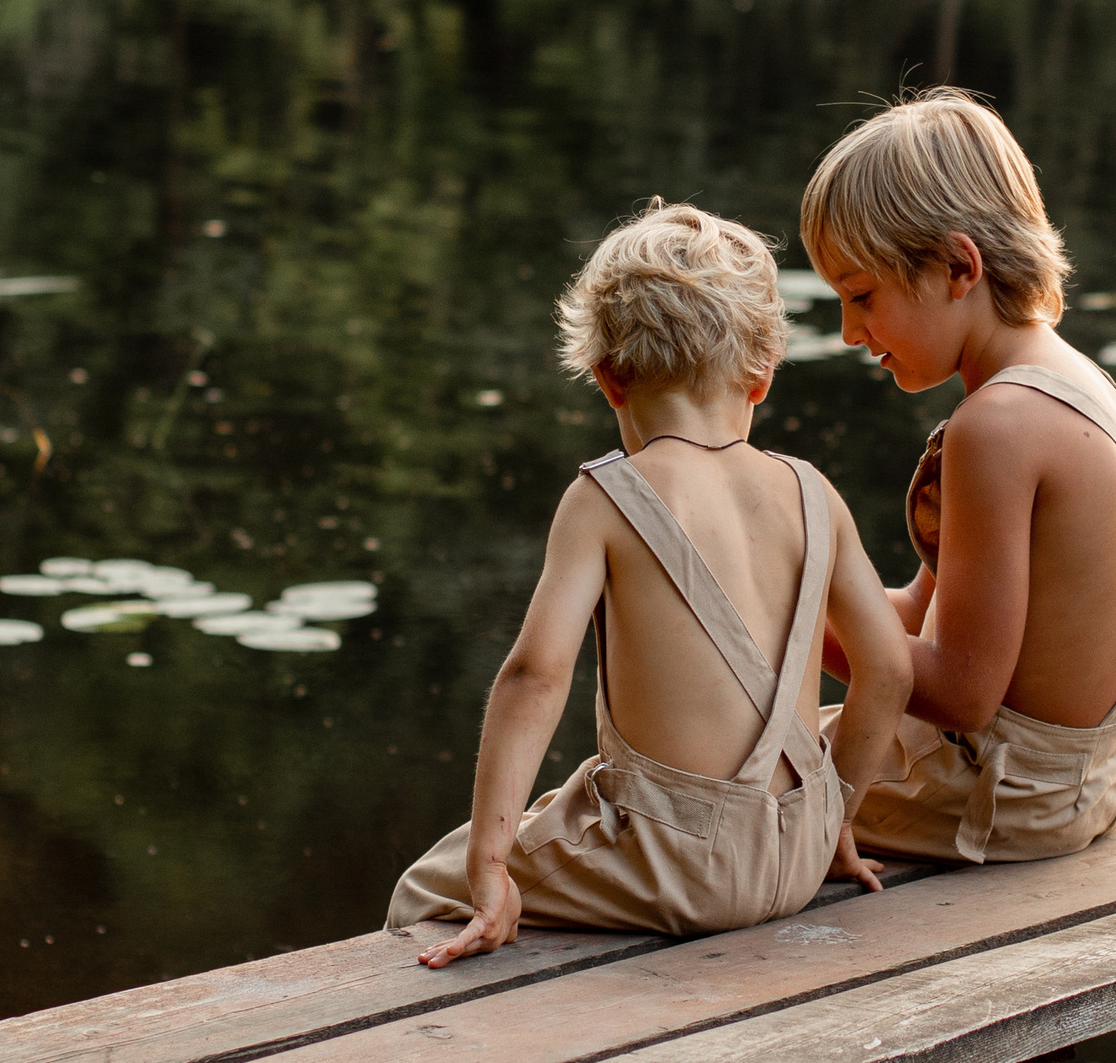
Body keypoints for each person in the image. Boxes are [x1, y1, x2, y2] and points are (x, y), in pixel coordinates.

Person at [729, 90, 1116, 1063]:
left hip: (1017, 799)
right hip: (1087, 774)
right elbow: (914, 629)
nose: (849, 328)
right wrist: (786, 596)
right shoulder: (1068, 387)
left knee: (723, 809)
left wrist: (772, 610)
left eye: (864, 294)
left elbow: (960, 688)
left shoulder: (997, 430)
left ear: (956, 265)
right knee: (800, 759)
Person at [386, 203, 912, 1002]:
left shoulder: (605, 496)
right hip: (799, 856)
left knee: (427, 887)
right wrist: (834, 816)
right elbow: (888, 671)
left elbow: (534, 674)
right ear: (762, 375)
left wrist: (490, 867)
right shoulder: (813, 492)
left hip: (678, 865)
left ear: (608, 378)